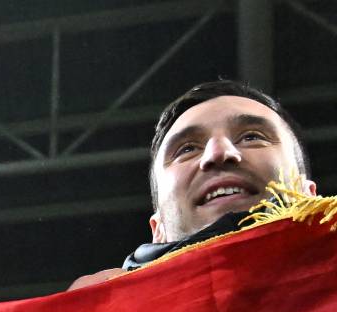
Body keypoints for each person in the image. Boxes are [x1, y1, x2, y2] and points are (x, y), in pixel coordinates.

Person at [70, 80, 316, 290]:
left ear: (310, 196)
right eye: (187, 149)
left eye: (252, 137)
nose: (218, 153)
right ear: (159, 230)